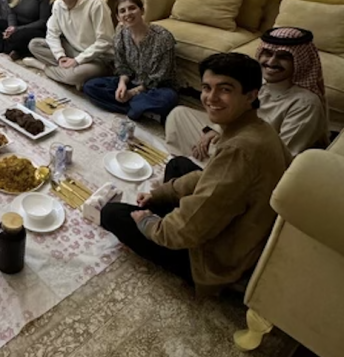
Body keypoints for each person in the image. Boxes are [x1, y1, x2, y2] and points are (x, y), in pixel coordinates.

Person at [100, 53, 290, 294]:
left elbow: (186, 230)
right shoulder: (257, 128)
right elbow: (210, 176)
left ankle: (209, 274)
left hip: (217, 258)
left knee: (112, 213)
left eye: (225, 90)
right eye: (207, 88)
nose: (211, 98)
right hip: (242, 222)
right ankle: (161, 210)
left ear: (251, 95)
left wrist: (148, 223)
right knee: (178, 165)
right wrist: (161, 194)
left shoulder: (239, 149)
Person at [166, 26, 329, 160]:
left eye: (283, 57)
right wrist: (213, 130)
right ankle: (197, 163)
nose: (271, 62)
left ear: (299, 61)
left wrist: (227, 143)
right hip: (235, 132)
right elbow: (233, 112)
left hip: (257, 156)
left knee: (230, 156)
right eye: (268, 54)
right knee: (179, 114)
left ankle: (204, 169)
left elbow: (280, 156)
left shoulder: (305, 103)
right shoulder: (260, 79)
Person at [83, 0, 178, 120]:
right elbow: (122, 66)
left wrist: (132, 93)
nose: (128, 13)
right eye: (122, 11)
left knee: (167, 99)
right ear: (118, 17)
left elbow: (159, 77)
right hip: (132, 82)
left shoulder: (162, 37)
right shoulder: (120, 35)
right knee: (90, 87)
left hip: (156, 88)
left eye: (132, 8)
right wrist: (122, 84)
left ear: (142, 10)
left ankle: (136, 108)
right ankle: (138, 110)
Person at [24, 0, 113, 88]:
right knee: (34, 44)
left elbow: (105, 41)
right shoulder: (57, 5)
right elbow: (52, 33)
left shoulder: (96, 4)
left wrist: (77, 61)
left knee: (73, 76)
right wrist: (60, 56)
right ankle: (69, 71)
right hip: (73, 51)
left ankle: (43, 67)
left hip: (99, 58)